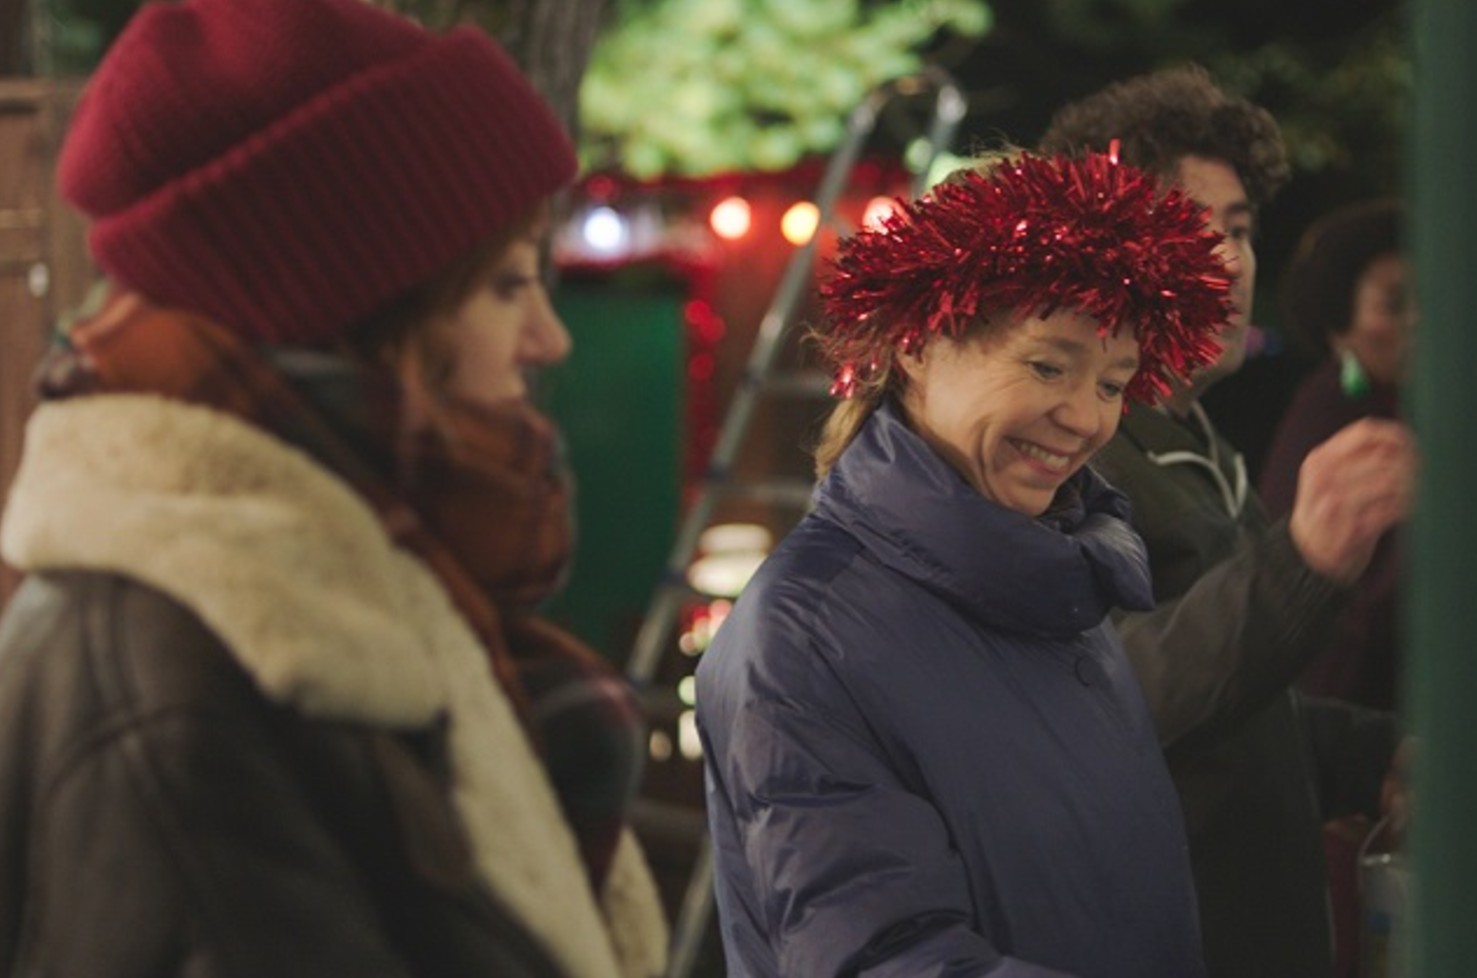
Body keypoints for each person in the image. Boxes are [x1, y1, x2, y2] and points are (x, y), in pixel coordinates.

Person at [0, 1, 666, 975]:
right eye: (506, 285)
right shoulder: (180, 684)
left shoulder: (346, 595)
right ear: (368, 315)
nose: (549, 340)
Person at [696, 150, 1234, 976]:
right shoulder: (805, 639)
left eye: (1112, 383)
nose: (1086, 419)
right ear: (918, 343)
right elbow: (887, 958)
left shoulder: (1064, 581)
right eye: (1047, 365)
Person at [1040, 67, 1417, 978]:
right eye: (1184, 226)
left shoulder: (1197, 442)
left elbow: (1248, 723)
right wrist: (1305, 559)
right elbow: (1101, 697)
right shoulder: (1064, 452)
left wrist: (1377, 756)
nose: (1226, 259)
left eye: (1238, 229)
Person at [1261, 198, 1412, 712]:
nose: (1419, 320)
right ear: (1339, 323)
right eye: (1395, 304)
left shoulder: (1394, 407)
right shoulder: (1331, 416)